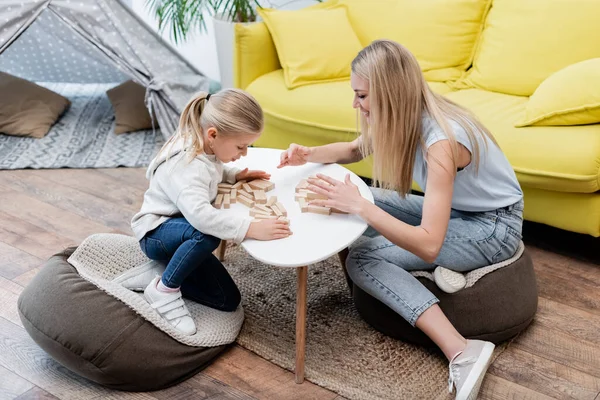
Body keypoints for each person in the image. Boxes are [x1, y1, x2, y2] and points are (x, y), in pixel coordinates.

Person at [277, 40, 523, 399]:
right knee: (360, 190)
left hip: (493, 229)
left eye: (361, 96)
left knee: (363, 255)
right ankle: (446, 271)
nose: (355, 104)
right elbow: (353, 150)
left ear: (389, 93)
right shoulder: (404, 113)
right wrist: (307, 154)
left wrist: (361, 209)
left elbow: (429, 242)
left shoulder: (441, 142)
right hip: (461, 211)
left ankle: (462, 349)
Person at [131, 89, 292, 336]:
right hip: (157, 233)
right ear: (213, 134)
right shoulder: (185, 166)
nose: (244, 153)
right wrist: (249, 228)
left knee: (227, 300)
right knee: (207, 234)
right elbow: (200, 216)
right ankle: (163, 290)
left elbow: (210, 170)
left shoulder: (205, 144)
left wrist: (233, 175)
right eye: (241, 146)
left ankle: (163, 272)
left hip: (183, 232)